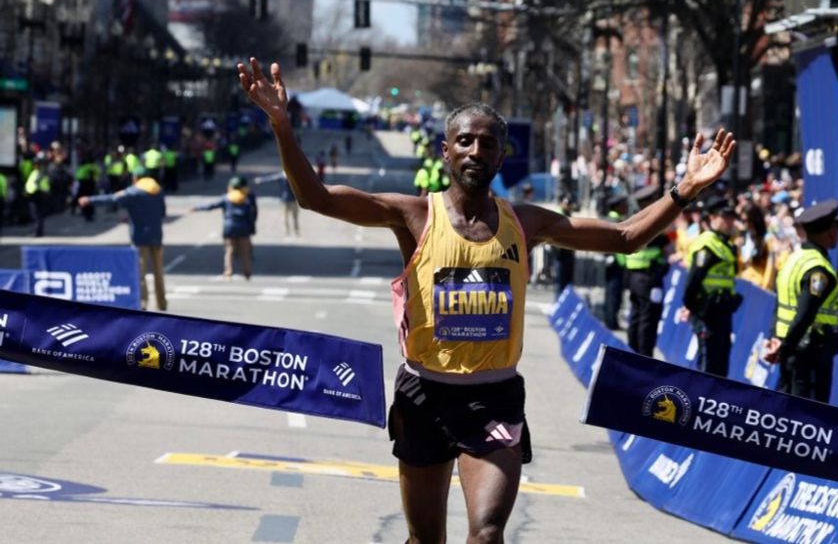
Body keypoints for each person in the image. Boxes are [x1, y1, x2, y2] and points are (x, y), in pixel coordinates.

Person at [238, 56, 733, 543]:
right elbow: (317, 197)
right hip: (423, 394)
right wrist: (282, 125)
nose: (476, 150)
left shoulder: (527, 223)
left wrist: (685, 190)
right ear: (446, 152)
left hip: (494, 397)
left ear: (501, 157)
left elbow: (624, 238)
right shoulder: (412, 216)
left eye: (488, 143)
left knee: (488, 532)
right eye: (465, 141)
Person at [763, 199, 838, 403]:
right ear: (829, 232)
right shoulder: (818, 269)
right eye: (836, 228)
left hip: (788, 347)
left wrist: (775, 338)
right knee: (808, 417)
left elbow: (779, 305)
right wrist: (785, 347)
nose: (837, 233)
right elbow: (805, 313)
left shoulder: (793, 259)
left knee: (786, 412)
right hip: (809, 353)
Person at [80, 166, 168, 311]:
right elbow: (163, 212)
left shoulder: (133, 192)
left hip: (140, 238)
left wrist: (89, 200)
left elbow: (111, 199)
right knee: (159, 272)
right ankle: (162, 303)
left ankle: (143, 303)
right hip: (156, 236)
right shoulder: (158, 191)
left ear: (135, 178)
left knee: (140, 272)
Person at [678, 195, 742, 377]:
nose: (730, 222)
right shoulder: (707, 244)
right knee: (708, 368)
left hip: (722, 311)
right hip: (707, 313)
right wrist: (694, 308)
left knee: (720, 366)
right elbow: (692, 282)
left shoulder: (724, 244)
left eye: (732, 217)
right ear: (712, 217)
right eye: (725, 217)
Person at [623, 185, 670, 357]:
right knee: (648, 318)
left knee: (636, 316)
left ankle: (633, 352)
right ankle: (644, 356)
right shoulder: (652, 225)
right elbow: (666, 247)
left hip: (634, 276)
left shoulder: (634, 220)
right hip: (649, 277)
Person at [194, 175, 258, 281]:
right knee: (245, 252)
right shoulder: (246, 199)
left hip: (229, 227)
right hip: (243, 228)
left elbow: (212, 206)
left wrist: (197, 208)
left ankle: (228, 272)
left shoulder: (226, 198)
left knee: (229, 251)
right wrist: (252, 229)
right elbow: (250, 217)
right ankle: (247, 272)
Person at [603, 194, 628, 330]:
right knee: (614, 294)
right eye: (623, 205)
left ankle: (609, 319)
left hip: (611, 263)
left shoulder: (609, 219)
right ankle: (612, 322)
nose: (626, 207)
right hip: (617, 262)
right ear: (617, 207)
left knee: (610, 292)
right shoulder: (616, 221)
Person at [255, 171, 300, 236]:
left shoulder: (293, 176)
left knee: (295, 217)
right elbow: (270, 178)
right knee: (285, 217)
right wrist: (261, 180)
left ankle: (296, 230)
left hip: (293, 200)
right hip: (285, 200)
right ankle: (286, 230)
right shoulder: (281, 177)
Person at [553, 194, 577, 298]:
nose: (569, 206)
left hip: (568, 253)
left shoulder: (568, 214)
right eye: (567, 203)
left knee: (567, 282)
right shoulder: (559, 215)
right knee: (560, 282)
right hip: (561, 254)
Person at [25, 152, 50, 237]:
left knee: (37, 214)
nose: (35, 165)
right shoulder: (36, 172)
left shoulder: (40, 173)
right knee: (36, 214)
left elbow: (39, 185)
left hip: (37, 195)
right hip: (35, 195)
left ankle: (38, 232)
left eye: (36, 164)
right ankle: (38, 231)